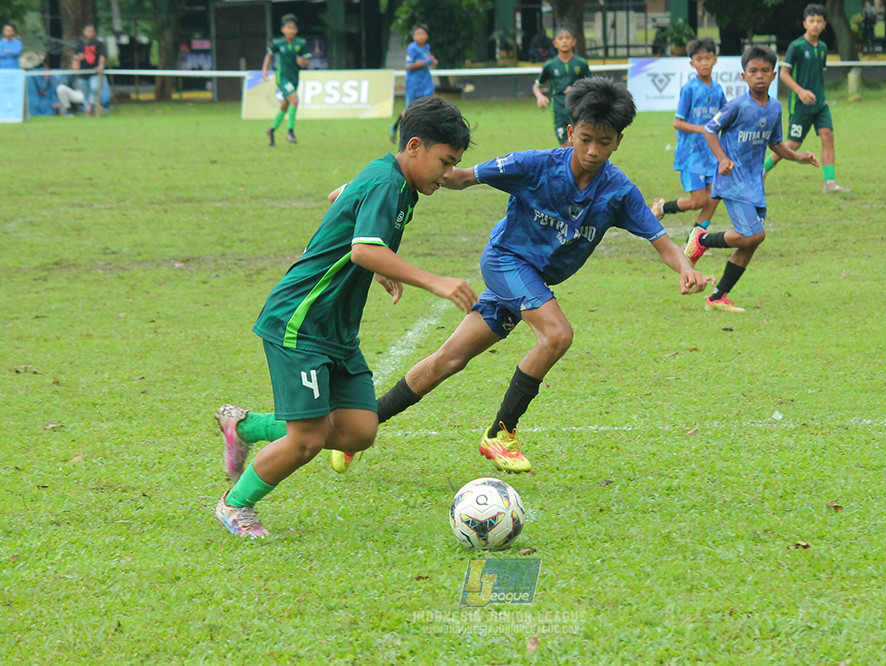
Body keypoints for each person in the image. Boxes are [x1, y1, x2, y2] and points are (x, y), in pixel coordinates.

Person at [214, 77, 712, 478]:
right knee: (557, 334)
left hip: (530, 281)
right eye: (585, 139)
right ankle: (501, 433)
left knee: (446, 361)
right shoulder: (535, 165)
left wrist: (686, 267)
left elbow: (659, 238)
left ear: (619, 141)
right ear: (569, 133)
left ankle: (297, 431)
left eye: (605, 143)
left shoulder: (619, 191)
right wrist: (359, 189)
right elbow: (456, 175)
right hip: (506, 263)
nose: (594, 151)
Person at [212, 96, 476, 538]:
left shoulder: (393, 179)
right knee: (308, 439)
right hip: (302, 322)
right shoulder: (388, 184)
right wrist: (431, 279)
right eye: (444, 162)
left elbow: (341, 198)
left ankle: (244, 425)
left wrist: (376, 264)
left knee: (359, 429)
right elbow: (362, 246)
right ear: (414, 146)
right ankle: (234, 504)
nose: (448, 174)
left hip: (336, 329)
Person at [684, 45, 818, 313]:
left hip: (755, 183)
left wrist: (798, 157)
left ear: (774, 75)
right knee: (753, 234)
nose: (759, 75)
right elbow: (710, 131)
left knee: (752, 241)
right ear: (743, 77)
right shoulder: (737, 105)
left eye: (765, 71)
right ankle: (702, 240)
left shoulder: (775, 108)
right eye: (753, 71)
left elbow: (776, 144)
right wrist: (722, 159)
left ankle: (717, 297)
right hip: (732, 181)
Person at [763, 4, 849, 194]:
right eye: (812, 21)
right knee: (793, 144)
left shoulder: (824, 48)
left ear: (825, 25)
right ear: (805, 23)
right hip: (800, 106)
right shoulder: (797, 46)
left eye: (819, 21)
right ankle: (762, 171)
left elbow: (818, 75)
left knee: (828, 136)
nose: (815, 25)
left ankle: (830, 184)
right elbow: (784, 74)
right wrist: (800, 92)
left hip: (820, 104)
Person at [650, 37, 727, 245]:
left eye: (707, 58)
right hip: (691, 154)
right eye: (699, 59)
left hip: (712, 154)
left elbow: (724, 116)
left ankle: (694, 242)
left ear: (715, 60)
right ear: (692, 63)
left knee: (714, 199)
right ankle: (662, 208)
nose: (704, 63)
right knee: (698, 201)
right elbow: (677, 122)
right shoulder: (689, 89)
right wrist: (703, 129)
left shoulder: (718, 89)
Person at [533, 25, 591, 147]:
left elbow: (591, 86)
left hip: (578, 110)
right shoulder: (550, 65)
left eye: (567, 38)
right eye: (560, 38)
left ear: (573, 42)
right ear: (555, 43)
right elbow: (537, 85)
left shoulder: (581, 63)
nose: (564, 41)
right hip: (559, 110)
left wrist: (577, 89)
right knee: (566, 147)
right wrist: (540, 97)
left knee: (577, 146)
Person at [262, 14, 310, 146]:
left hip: (294, 77)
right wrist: (264, 70)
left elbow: (306, 62)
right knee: (294, 99)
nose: (291, 31)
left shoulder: (300, 44)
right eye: (288, 28)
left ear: (296, 30)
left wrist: (303, 62)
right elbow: (269, 55)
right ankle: (290, 132)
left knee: (285, 104)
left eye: (293, 28)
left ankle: (271, 130)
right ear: (283, 29)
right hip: (282, 76)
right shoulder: (279, 43)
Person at [389, 24, 437, 145]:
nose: (420, 36)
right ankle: (395, 128)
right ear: (414, 36)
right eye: (417, 34)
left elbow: (430, 62)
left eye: (422, 34)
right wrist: (426, 61)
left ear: (427, 36)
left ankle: (428, 134)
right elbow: (409, 66)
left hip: (426, 81)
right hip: (414, 83)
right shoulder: (412, 48)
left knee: (430, 105)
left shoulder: (427, 47)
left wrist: (433, 62)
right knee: (410, 109)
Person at [71, 25, 107, 116]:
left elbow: (102, 56)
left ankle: (91, 107)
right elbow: (75, 58)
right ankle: (89, 109)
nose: (89, 33)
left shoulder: (99, 45)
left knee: (94, 89)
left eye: (91, 31)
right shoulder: (80, 45)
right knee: (85, 93)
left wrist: (100, 66)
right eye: (87, 31)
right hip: (83, 74)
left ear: (94, 33)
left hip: (94, 72)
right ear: (84, 32)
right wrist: (78, 59)